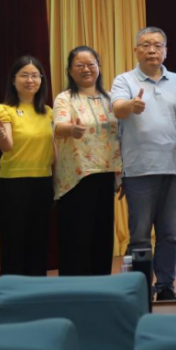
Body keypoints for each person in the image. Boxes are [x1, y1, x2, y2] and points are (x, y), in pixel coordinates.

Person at [111, 27, 176, 301]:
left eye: (157, 45)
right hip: (139, 170)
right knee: (141, 236)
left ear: (165, 51)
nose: (152, 50)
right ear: (136, 50)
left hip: (172, 167)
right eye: (145, 45)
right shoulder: (124, 80)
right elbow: (117, 108)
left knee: (170, 234)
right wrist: (130, 106)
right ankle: (140, 289)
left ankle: (165, 286)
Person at [52, 45, 121, 276]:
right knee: (76, 239)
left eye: (91, 64)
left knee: (101, 237)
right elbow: (58, 127)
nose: (86, 69)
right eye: (79, 65)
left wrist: (122, 175)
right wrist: (71, 129)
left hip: (106, 175)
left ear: (99, 67)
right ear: (70, 71)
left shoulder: (111, 98)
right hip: (76, 178)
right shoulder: (65, 98)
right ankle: (74, 289)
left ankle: (100, 287)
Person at [0, 56, 55, 276]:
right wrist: (0, 135)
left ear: (41, 80)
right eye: (24, 75)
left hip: (43, 181)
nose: (30, 80)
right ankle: (13, 291)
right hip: (14, 183)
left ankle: (38, 289)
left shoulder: (48, 112)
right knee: (14, 242)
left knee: (39, 240)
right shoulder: (3, 110)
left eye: (35, 75)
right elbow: (7, 147)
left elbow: (53, 150)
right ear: (13, 80)